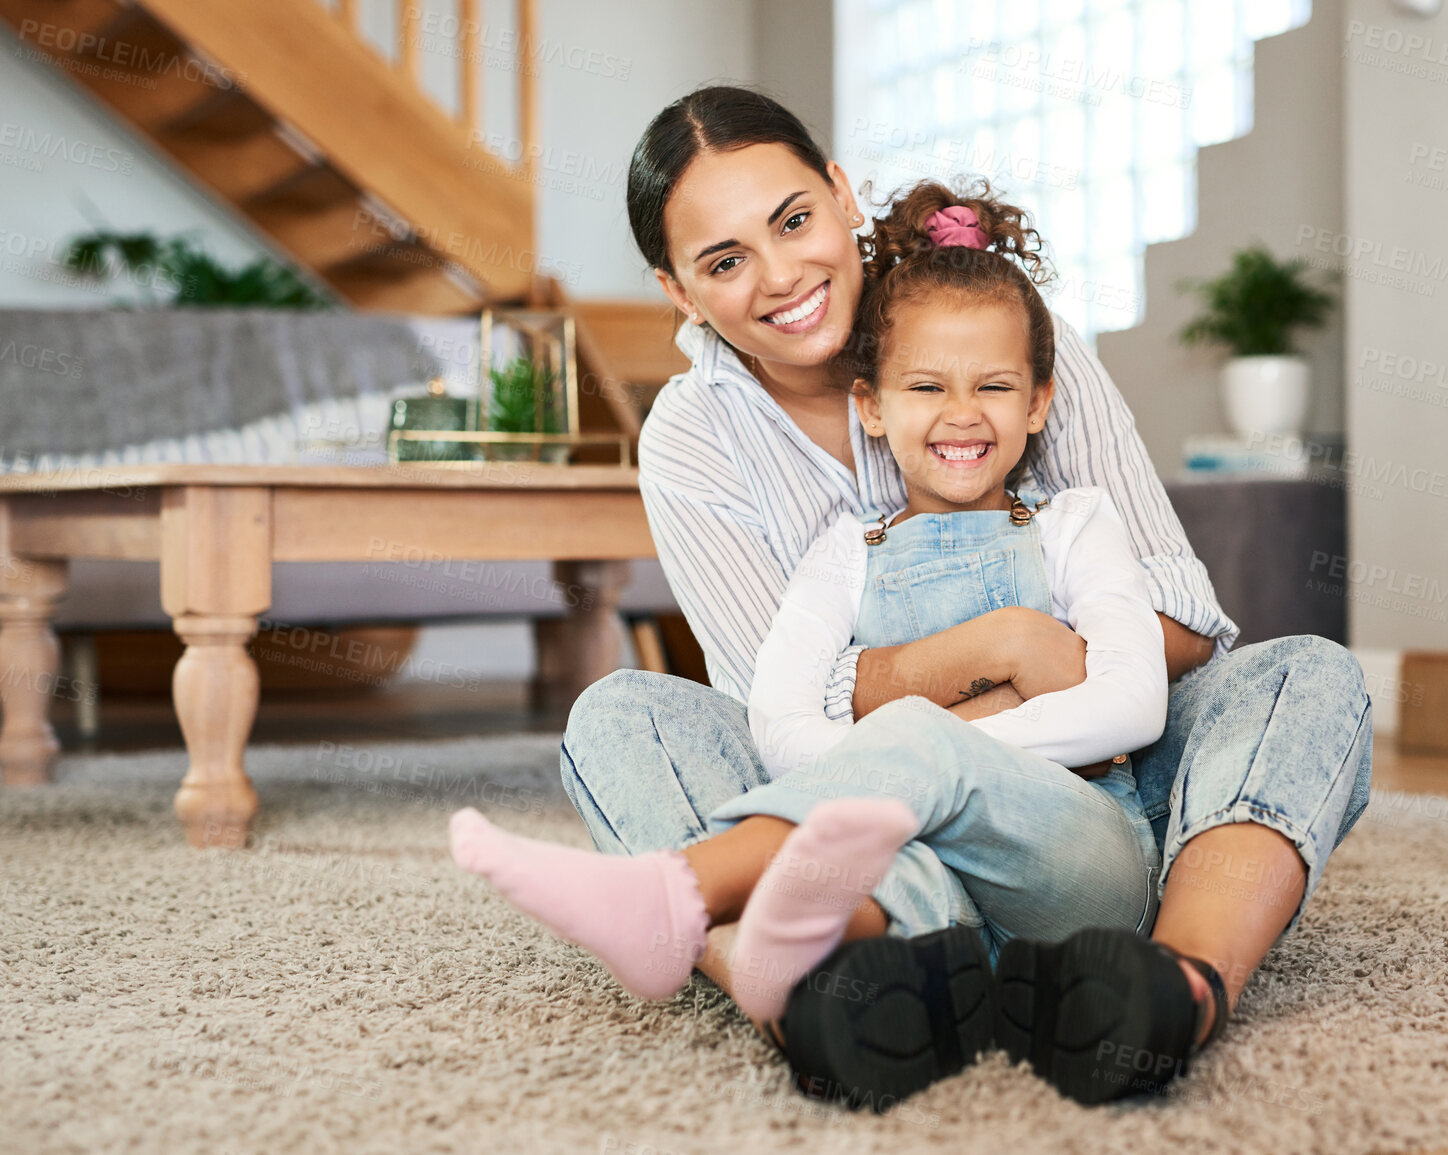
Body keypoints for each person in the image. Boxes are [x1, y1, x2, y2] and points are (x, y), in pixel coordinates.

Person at [553, 85, 1373, 1105]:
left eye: (794, 221)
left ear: (841, 194)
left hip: (1085, 801)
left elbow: (1183, 618)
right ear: (678, 291)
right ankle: (818, 995)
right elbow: (774, 708)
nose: (781, 276)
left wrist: (961, 722)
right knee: (620, 717)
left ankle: (1171, 983)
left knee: (1304, 677)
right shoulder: (690, 435)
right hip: (853, 835)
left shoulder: (1007, 330)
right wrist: (1004, 649)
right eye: (724, 262)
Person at [451, 179, 1197, 1104]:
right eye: (925, 386)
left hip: (1074, 866)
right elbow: (776, 726)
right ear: (872, 407)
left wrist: (932, 753)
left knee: (904, 755)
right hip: (918, 877)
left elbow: (1131, 703)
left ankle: (676, 896)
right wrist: (923, 761)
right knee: (616, 713)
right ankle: (870, 979)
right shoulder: (841, 555)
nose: (961, 414)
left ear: (1040, 402)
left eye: (994, 387)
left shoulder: (1078, 524)